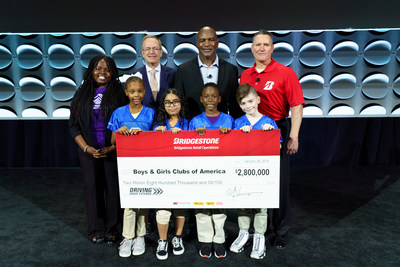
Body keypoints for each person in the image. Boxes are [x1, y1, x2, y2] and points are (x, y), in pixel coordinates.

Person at [239, 29, 304, 249]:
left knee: (279, 184)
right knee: (255, 180)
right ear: (251, 49)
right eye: (257, 45)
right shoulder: (246, 75)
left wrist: (293, 136)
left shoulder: (286, 73)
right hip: (251, 132)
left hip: (278, 129)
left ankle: (280, 231)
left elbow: (296, 106)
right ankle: (259, 229)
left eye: (266, 45)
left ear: (272, 48)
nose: (261, 48)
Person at [69, 55, 128, 244]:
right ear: (90, 70)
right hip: (89, 151)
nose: (102, 73)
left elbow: (124, 122)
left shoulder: (120, 93)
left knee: (113, 189)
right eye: (98, 68)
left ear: (113, 72)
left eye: (107, 69)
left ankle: (114, 228)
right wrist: (86, 148)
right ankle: (96, 228)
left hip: (112, 150)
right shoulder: (81, 94)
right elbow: (73, 126)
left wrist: (112, 146)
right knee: (92, 189)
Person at [229, 83, 279, 260]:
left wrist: (269, 134)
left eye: (250, 101)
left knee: (261, 206)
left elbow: (278, 146)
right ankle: (243, 233)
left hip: (262, 173)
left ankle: (259, 237)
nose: (247, 106)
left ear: (258, 99)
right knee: (242, 204)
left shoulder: (268, 122)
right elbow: (231, 148)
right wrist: (240, 135)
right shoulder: (237, 122)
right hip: (242, 171)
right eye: (243, 103)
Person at [107, 76, 155, 257]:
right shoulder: (118, 113)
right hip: (126, 164)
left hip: (146, 163)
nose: (136, 95)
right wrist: (119, 132)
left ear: (145, 92)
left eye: (140, 91)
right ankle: (127, 237)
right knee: (129, 201)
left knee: (143, 200)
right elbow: (112, 140)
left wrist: (143, 135)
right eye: (132, 91)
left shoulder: (150, 113)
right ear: (126, 92)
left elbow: (155, 139)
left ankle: (141, 235)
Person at [189, 83, 233, 258]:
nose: (210, 100)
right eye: (206, 96)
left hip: (222, 169)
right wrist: (195, 136)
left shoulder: (229, 121)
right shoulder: (195, 121)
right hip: (200, 169)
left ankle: (219, 239)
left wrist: (227, 134)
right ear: (201, 99)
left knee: (219, 205)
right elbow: (184, 147)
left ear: (219, 99)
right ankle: (206, 240)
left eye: (214, 96)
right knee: (202, 205)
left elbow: (236, 146)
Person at [152, 88, 189, 260]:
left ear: (181, 103)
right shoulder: (157, 126)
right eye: (168, 102)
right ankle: (163, 240)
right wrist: (158, 135)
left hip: (183, 172)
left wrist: (183, 135)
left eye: (175, 101)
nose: (172, 105)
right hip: (163, 174)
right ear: (163, 105)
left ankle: (178, 237)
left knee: (180, 207)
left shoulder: (188, 124)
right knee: (163, 210)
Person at [174, 26, 242, 119]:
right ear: (197, 44)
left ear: (217, 43)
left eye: (211, 40)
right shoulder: (183, 70)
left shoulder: (230, 70)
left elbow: (234, 106)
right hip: (192, 128)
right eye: (202, 40)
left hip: (222, 129)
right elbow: (179, 104)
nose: (206, 44)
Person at [135, 35, 176, 111]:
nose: (151, 52)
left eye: (155, 49)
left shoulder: (173, 74)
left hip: (167, 120)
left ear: (161, 52)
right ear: (142, 53)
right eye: (148, 49)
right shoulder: (134, 76)